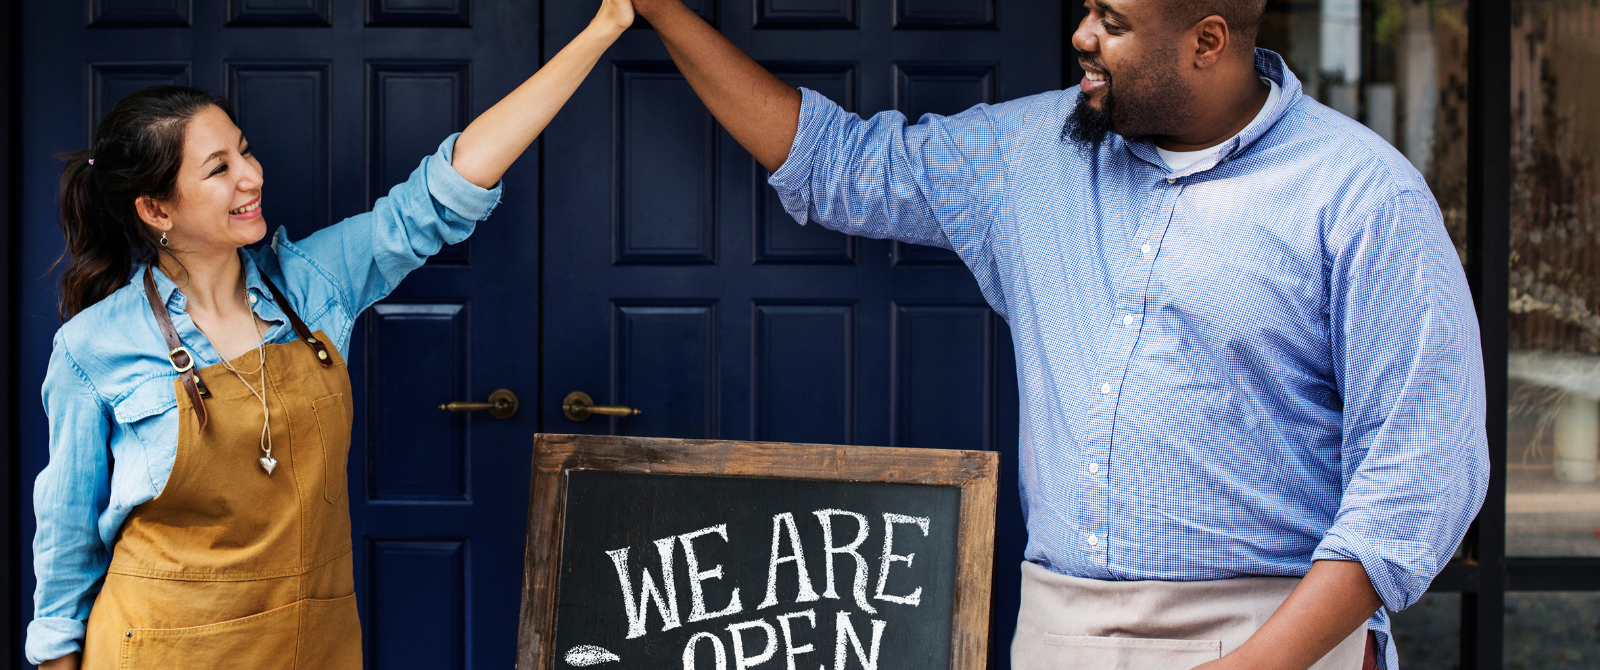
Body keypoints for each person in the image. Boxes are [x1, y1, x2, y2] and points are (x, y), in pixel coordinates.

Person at [628, 0, 1489, 667]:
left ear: (1207, 40)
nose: (1081, 35)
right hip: (1059, 628)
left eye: (1113, 23)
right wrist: (664, 10)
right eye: (1088, 11)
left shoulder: (1362, 197)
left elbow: (1419, 478)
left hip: (1274, 634)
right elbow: (840, 166)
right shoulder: (1029, 152)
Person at [26, 0, 634, 666]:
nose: (252, 176)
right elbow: (66, 547)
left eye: (246, 151)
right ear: (155, 207)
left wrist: (604, 27)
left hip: (312, 644)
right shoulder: (91, 349)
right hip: (163, 648)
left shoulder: (313, 283)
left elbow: (444, 191)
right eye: (218, 168)